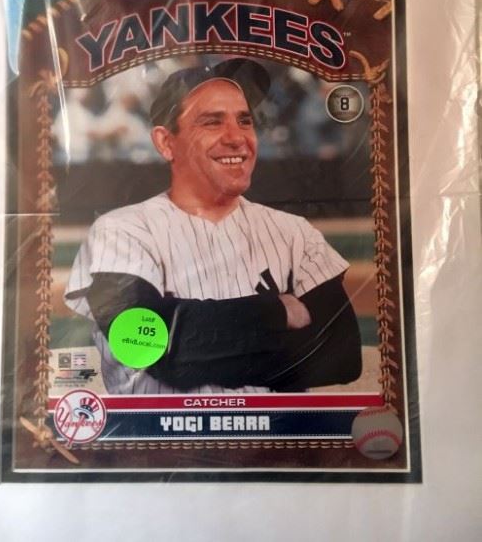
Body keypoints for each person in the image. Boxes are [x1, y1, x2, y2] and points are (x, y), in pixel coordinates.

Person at [64, 58, 362, 394]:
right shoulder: (120, 231)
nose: (237, 138)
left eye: (245, 120)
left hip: (274, 429)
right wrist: (276, 311)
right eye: (212, 122)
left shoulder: (295, 232)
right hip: (159, 428)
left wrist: (193, 344)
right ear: (166, 142)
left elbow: (341, 355)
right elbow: (146, 347)